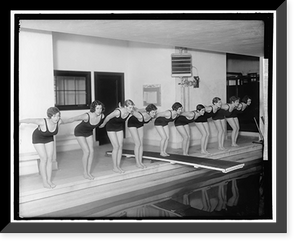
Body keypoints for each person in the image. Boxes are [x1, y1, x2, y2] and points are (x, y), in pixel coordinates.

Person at [20, 107, 67, 188]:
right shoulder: (42, 121)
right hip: (38, 138)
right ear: (50, 116)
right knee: (44, 158)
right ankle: (45, 181)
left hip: (49, 138)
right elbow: (30, 120)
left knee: (50, 158)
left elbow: (70, 120)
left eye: (58, 115)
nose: (57, 118)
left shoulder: (59, 121)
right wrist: (19, 121)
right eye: (54, 116)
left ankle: (49, 180)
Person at [66, 100, 105, 180]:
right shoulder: (86, 116)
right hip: (79, 132)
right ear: (93, 108)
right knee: (86, 151)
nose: (99, 110)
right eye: (97, 108)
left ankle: (88, 172)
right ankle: (85, 172)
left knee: (92, 151)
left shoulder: (102, 116)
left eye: (100, 108)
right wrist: (61, 121)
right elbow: (73, 119)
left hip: (88, 132)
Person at [99, 99, 135, 173]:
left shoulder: (129, 112)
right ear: (125, 107)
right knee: (116, 146)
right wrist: (103, 124)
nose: (131, 110)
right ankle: (115, 167)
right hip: (110, 127)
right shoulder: (118, 112)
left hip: (119, 127)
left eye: (132, 107)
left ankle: (118, 166)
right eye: (130, 108)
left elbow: (138, 110)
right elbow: (108, 117)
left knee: (120, 146)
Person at [127, 104, 157, 168]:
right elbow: (131, 111)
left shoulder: (151, 115)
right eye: (153, 112)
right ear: (148, 112)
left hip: (140, 124)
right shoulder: (140, 116)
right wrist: (124, 108)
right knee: (137, 143)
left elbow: (138, 109)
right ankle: (137, 163)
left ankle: (140, 162)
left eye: (155, 112)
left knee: (141, 143)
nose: (154, 114)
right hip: (132, 123)